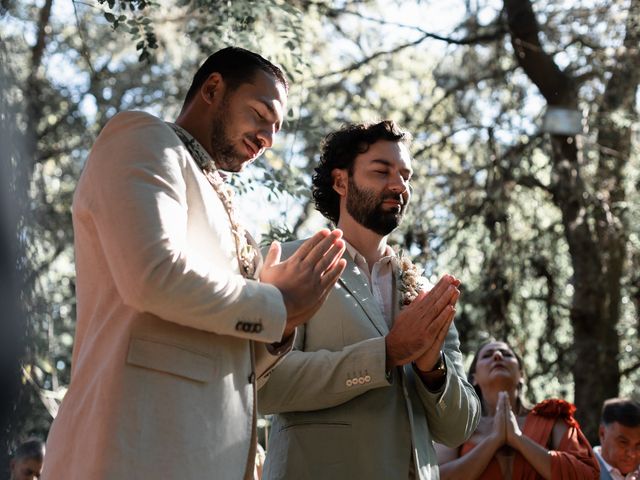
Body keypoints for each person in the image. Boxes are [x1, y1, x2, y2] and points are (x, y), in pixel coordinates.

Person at [41, 47, 347, 480]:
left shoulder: (233, 210)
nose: (267, 138)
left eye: (276, 129)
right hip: (133, 448)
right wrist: (275, 303)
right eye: (261, 114)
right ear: (213, 88)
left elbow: (230, 361)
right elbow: (152, 275)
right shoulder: (142, 137)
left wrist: (284, 326)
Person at [258, 120, 480, 480]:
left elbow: (460, 428)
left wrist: (431, 369)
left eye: (406, 176)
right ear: (340, 181)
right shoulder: (291, 264)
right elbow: (264, 388)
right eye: (382, 171)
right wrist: (387, 353)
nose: (399, 186)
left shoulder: (423, 291)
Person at [436, 339, 600, 480]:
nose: (498, 356)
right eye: (487, 355)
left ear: (521, 374)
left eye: (507, 354)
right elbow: (434, 476)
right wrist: (493, 440)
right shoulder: (457, 424)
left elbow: (587, 474)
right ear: (474, 378)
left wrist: (518, 439)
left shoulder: (552, 417)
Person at [594, 398, 640, 479]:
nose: (632, 454)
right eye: (623, 443)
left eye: (639, 446)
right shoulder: (577, 473)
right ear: (602, 434)